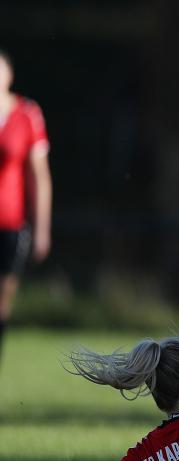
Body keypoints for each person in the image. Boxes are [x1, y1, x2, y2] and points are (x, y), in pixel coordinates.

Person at [0, 49, 52, 364]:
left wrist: (42, 229)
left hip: (10, 222)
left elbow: (39, 176)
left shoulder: (26, 114)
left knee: (2, 300)